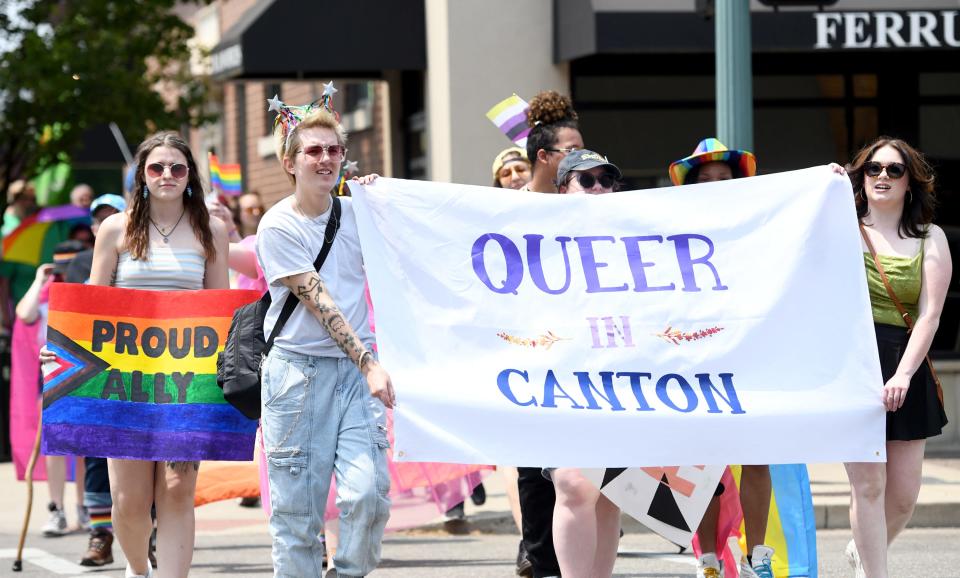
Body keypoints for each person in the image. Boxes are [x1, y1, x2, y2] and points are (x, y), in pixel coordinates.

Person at [44, 131, 230, 578]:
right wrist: (62, 357)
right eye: (157, 167)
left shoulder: (211, 228)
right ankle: (137, 570)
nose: (167, 175)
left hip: (185, 379)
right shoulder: (117, 228)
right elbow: (92, 304)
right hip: (122, 379)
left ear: (190, 177)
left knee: (177, 490)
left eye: (178, 168)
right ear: (141, 176)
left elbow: (221, 305)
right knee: (128, 502)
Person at [256, 98, 394, 578]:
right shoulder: (277, 225)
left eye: (334, 150)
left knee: (369, 492)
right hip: (297, 376)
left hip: (355, 375)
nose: (326, 159)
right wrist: (370, 363)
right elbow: (321, 302)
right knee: (297, 518)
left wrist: (385, 199)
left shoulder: (359, 215)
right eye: (314, 151)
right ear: (290, 163)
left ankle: (348, 572)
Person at [843, 137, 951, 578]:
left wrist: (904, 373)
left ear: (910, 182)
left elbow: (930, 314)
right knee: (868, 486)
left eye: (894, 169)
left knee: (903, 497)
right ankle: (876, 573)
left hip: (905, 363)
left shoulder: (931, 237)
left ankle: (863, 551)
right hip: (854, 364)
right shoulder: (841, 228)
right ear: (862, 177)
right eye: (873, 168)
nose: (882, 176)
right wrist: (822, 184)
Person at [669, 138, 776, 578]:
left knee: (757, 455)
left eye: (722, 177)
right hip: (696, 356)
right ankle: (708, 559)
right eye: (705, 179)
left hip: (750, 351)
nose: (714, 184)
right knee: (703, 459)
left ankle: (759, 557)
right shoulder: (671, 233)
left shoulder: (761, 229)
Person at [516, 90, 585, 578]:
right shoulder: (501, 208)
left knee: (578, 475)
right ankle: (540, 562)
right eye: (571, 150)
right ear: (544, 157)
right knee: (534, 471)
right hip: (524, 357)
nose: (582, 159)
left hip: (582, 356)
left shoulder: (586, 202)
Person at [549, 150, 624, 577]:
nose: (598, 188)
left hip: (624, 375)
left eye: (606, 180)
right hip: (561, 376)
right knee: (575, 483)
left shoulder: (636, 234)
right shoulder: (533, 235)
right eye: (586, 180)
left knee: (613, 490)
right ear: (563, 189)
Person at [62, 193, 127, 567]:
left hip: (142, 366)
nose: (105, 224)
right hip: (97, 367)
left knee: (145, 448)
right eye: (99, 219)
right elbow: (71, 315)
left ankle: (147, 534)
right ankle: (101, 534)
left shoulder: (141, 258)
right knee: (96, 452)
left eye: (113, 216)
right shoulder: (81, 263)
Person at [16, 241, 90, 537]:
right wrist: (39, 280)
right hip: (54, 380)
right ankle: (56, 508)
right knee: (55, 448)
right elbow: (24, 314)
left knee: (86, 447)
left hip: (86, 378)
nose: (63, 277)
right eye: (59, 272)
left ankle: (85, 507)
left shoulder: (86, 297)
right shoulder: (46, 299)